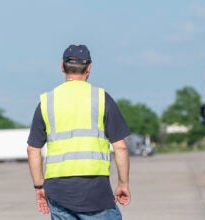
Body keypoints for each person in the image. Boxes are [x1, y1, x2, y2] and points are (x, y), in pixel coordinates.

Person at [27, 44, 131, 219]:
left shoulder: (47, 101)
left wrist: (39, 187)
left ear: (62, 67)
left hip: (58, 192)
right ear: (89, 68)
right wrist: (123, 183)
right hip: (95, 191)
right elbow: (120, 147)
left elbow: (33, 149)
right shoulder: (101, 98)